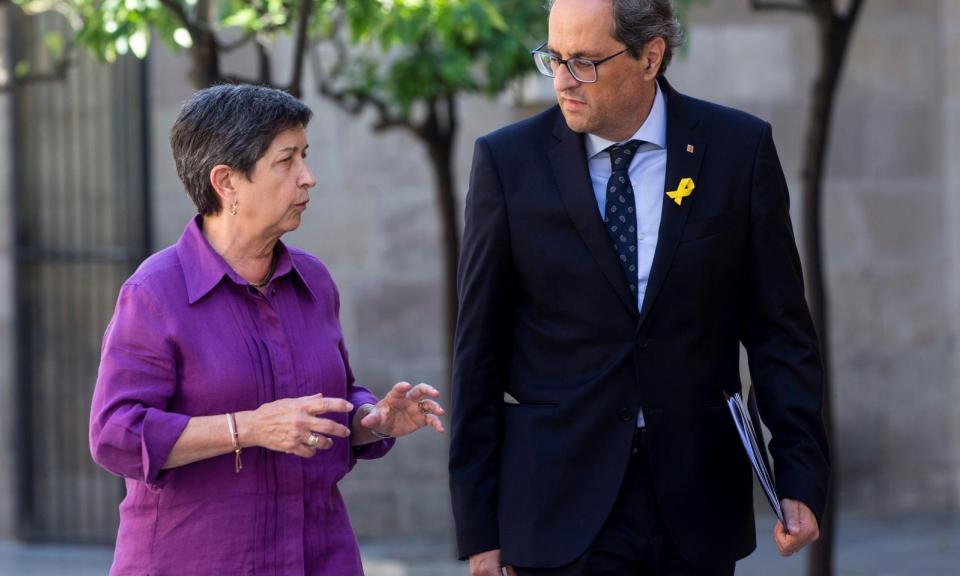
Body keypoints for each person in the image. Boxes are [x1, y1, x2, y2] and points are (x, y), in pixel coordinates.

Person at [449, 0, 830, 574]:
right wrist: (479, 528)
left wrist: (799, 473)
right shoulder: (507, 162)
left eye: (583, 62)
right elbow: (477, 355)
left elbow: (781, 333)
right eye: (552, 58)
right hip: (557, 508)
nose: (561, 81)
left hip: (697, 502)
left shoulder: (737, 150)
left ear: (650, 56)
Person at [89, 84, 445, 576]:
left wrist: (372, 421)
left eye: (306, 156)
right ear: (226, 182)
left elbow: (332, 400)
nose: (309, 178)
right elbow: (114, 435)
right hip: (197, 561)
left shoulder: (313, 281)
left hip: (320, 557)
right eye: (287, 161)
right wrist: (250, 428)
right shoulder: (155, 292)